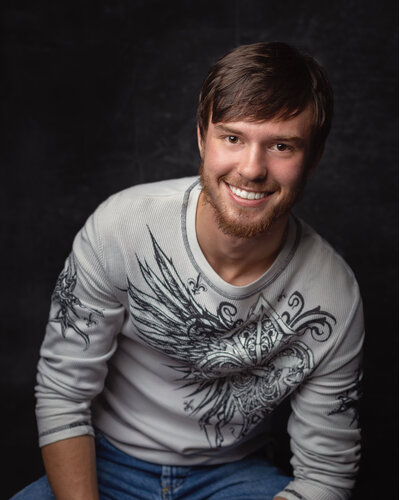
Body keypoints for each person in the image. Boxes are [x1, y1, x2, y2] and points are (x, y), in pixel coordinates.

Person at [12, 41, 364, 500]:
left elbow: (325, 475)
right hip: (105, 460)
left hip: (236, 476)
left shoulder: (334, 296)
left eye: (281, 145)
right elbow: (63, 393)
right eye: (233, 138)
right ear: (203, 137)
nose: (252, 169)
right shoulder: (123, 226)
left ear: (313, 159)